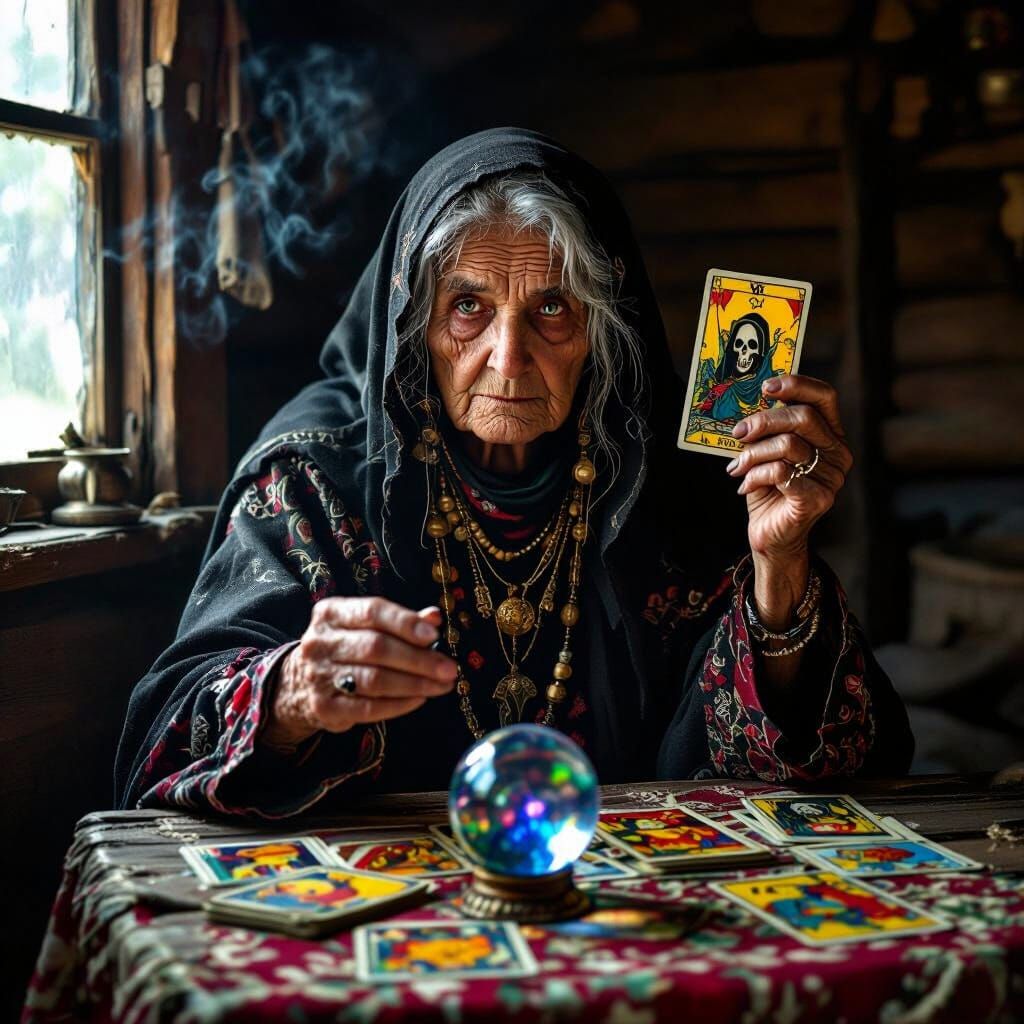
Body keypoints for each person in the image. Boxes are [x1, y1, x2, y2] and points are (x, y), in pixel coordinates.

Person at [114, 128, 913, 819]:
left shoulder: (680, 482)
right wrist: (290, 694)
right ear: (410, 326)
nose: (509, 357)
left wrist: (779, 566)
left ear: (605, 330)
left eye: (553, 309)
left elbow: (821, 769)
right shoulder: (313, 486)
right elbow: (162, 750)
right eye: (467, 306)